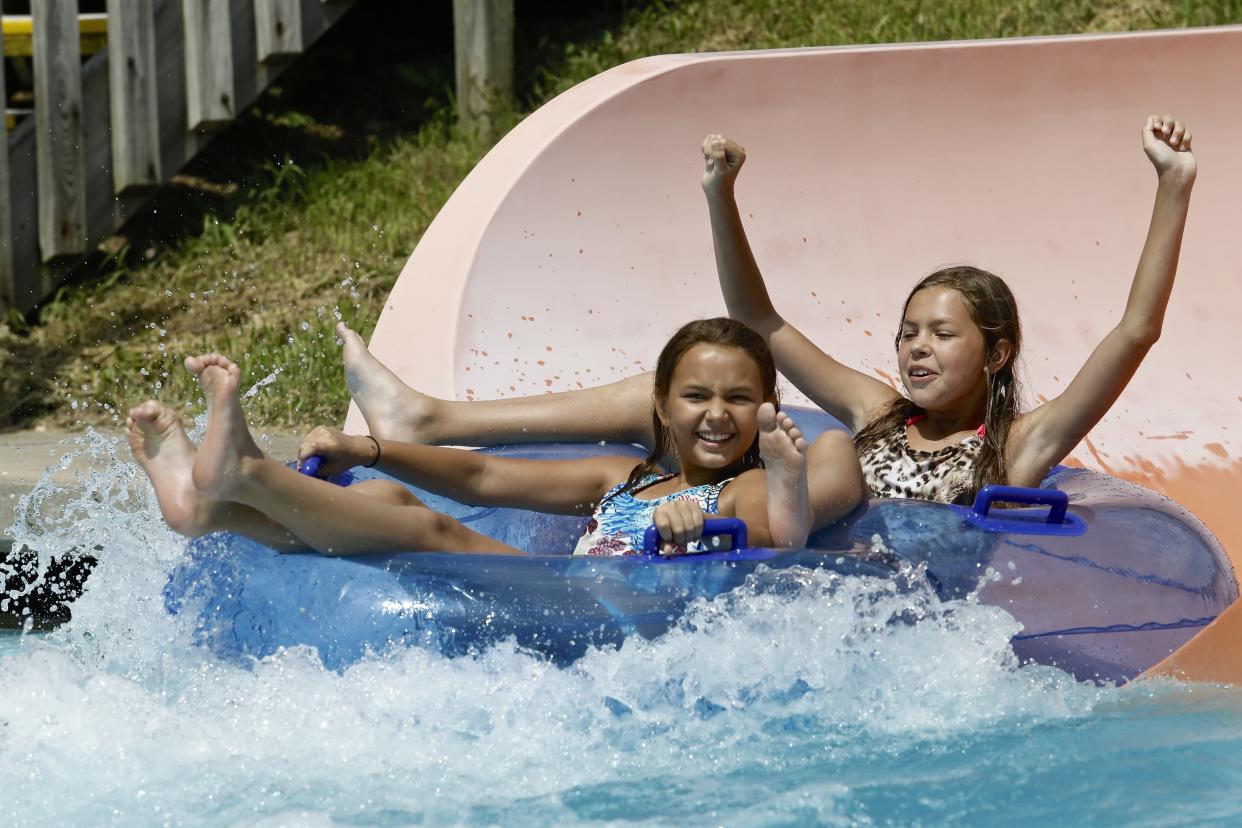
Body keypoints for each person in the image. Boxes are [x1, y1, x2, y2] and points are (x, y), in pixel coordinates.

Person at [340, 115, 1196, 505]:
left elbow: (1136, 331)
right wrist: (721, 194)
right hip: (789, 539)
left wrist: (1171, 187)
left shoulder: (1023, 442)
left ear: (998, 353)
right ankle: (430, 415)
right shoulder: (875, 410)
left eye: (941, 335)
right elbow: (761, 318)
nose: (916, 351)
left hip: (865, 593)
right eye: (907, 333)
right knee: (691, 388)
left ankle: (422, 420)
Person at [127, 318, 863, 556]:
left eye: (739, 398)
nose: (717, 414)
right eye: (696, 395)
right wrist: (369, 450)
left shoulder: (748, 483)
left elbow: (779, 522)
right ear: (662, 406)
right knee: (385, 494)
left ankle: (248, 474)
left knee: (429, 528)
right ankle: (208, 510)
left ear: (768, 404)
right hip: (569, 598)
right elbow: (481, 478)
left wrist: (702, 519)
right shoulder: (627, 476)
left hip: (612, 624)